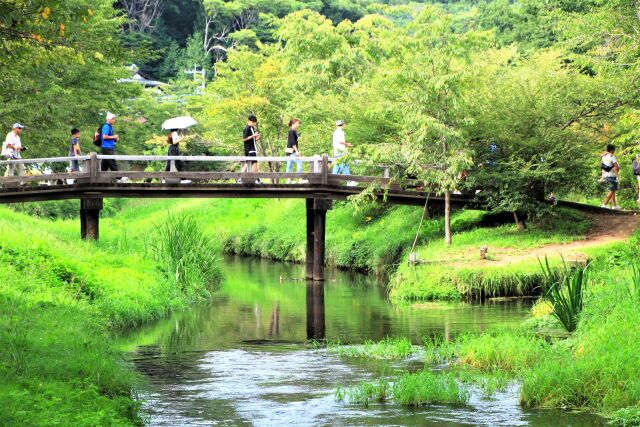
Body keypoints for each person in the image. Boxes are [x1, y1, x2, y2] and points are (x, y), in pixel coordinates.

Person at [100, 112, 127, 182]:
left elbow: (109, 137)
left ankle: (101, 178)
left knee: (105, 163)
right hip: (107, 147)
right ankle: (119, 177)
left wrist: (115, 139)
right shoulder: (106, 126)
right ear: (109, 119)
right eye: (113, 119)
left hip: (108, 147)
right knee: (112, 162)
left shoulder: (110, 127)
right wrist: (114, 136)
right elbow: (104, 136)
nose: (114, 120)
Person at [332, 120, 357, 186]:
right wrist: (347, 144)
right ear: (343, 125)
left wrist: (346, 145)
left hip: (336, 151)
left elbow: (338, 142)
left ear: (336, 125)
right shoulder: (341, 132)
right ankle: (349, 181)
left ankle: (332, 180)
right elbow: (340, 142)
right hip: (340, 151)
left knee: (337, 166)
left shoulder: (335, 132)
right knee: (345, 165)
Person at [241, 114, 260, 184]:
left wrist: (257, 137)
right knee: (254, 164)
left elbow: (253, 140)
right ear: (250, 121)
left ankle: (241, 178)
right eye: (253, 122)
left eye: (255, 122)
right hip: (249, 149)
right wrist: (253, 135)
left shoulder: (252, 128)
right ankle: (255, 179)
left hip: (253, 148)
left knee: (250, 164)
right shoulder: (246, 128)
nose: (254, 123)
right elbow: (244, 139)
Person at [601, 144, 620, 209]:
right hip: (612, 175)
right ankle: (604, 204)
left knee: (613, 190)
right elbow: (616, 167)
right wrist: (618, 176)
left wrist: (602, 177)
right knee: (612, 190)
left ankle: (614, 206)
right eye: (614, 150)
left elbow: (603, 167)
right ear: (611, 150)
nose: (614, 151)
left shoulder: (604, 156)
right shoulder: (612, 156)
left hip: (606, 175)